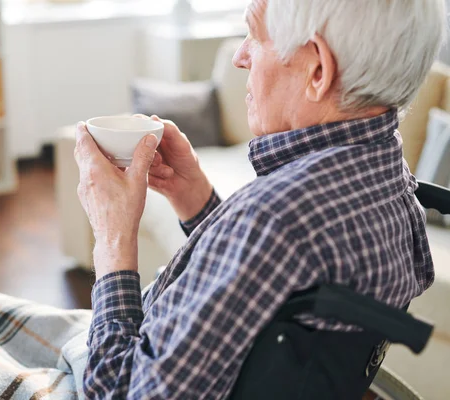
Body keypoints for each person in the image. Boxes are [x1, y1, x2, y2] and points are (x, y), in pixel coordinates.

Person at [74, 0, 447, 398]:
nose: (240, 56)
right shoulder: (392, 181)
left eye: (254, 34)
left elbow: (120, 392)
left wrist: (113, 238)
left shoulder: (275, 218)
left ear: (317, 70)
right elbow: (264, 291)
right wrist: (196, 199)